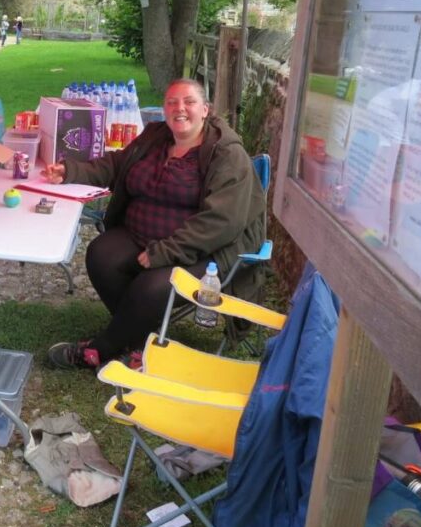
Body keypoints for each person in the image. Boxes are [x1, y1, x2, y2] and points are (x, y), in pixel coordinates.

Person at [41, 78, 265, 369]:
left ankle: (101, 349)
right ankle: (138, 342)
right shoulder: (156, 136)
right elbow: (116, 165)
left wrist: (165, 252)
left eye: (189, 102)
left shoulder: (226, 153)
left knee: (150, 287)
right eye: (172, 102)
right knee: (100, 255)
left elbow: (222, 222)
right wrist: (69, 170)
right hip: (141, 233)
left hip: (203, 249)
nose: (179, 108)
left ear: (206, 109)